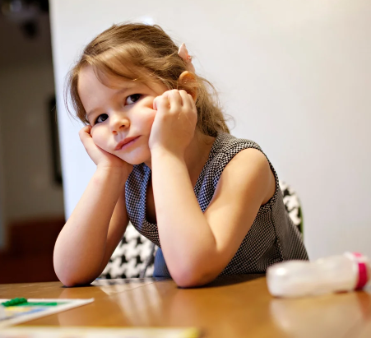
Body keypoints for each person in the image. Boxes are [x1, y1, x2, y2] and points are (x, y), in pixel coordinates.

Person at [53, 23, 308, 288]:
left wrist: (166, 152)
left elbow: (192, 269)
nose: (116, 123)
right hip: (193, 313)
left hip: (272, 309)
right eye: (100, 117)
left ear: (184, 92)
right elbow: (71, 271)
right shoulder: (130, 176)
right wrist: (108, 171)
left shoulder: (244, 163)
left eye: (131, 98)